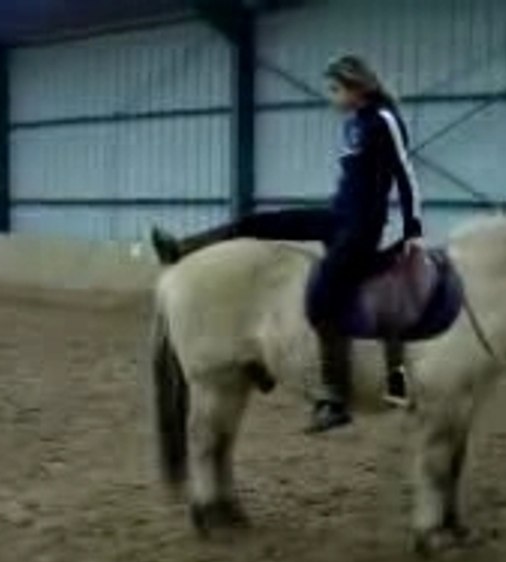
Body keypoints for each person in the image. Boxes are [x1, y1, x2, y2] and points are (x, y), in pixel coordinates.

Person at [152, 55, 424, 433]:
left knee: (325, 293)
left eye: (335, 89)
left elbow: (405, 173)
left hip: (361, 230)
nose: (332, 97)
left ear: (355, 87)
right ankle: (182, 249)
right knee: (262, 222)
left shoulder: (383, 120)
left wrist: (413, 227)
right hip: (337, 219)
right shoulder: (356, 124)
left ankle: (334, 397)